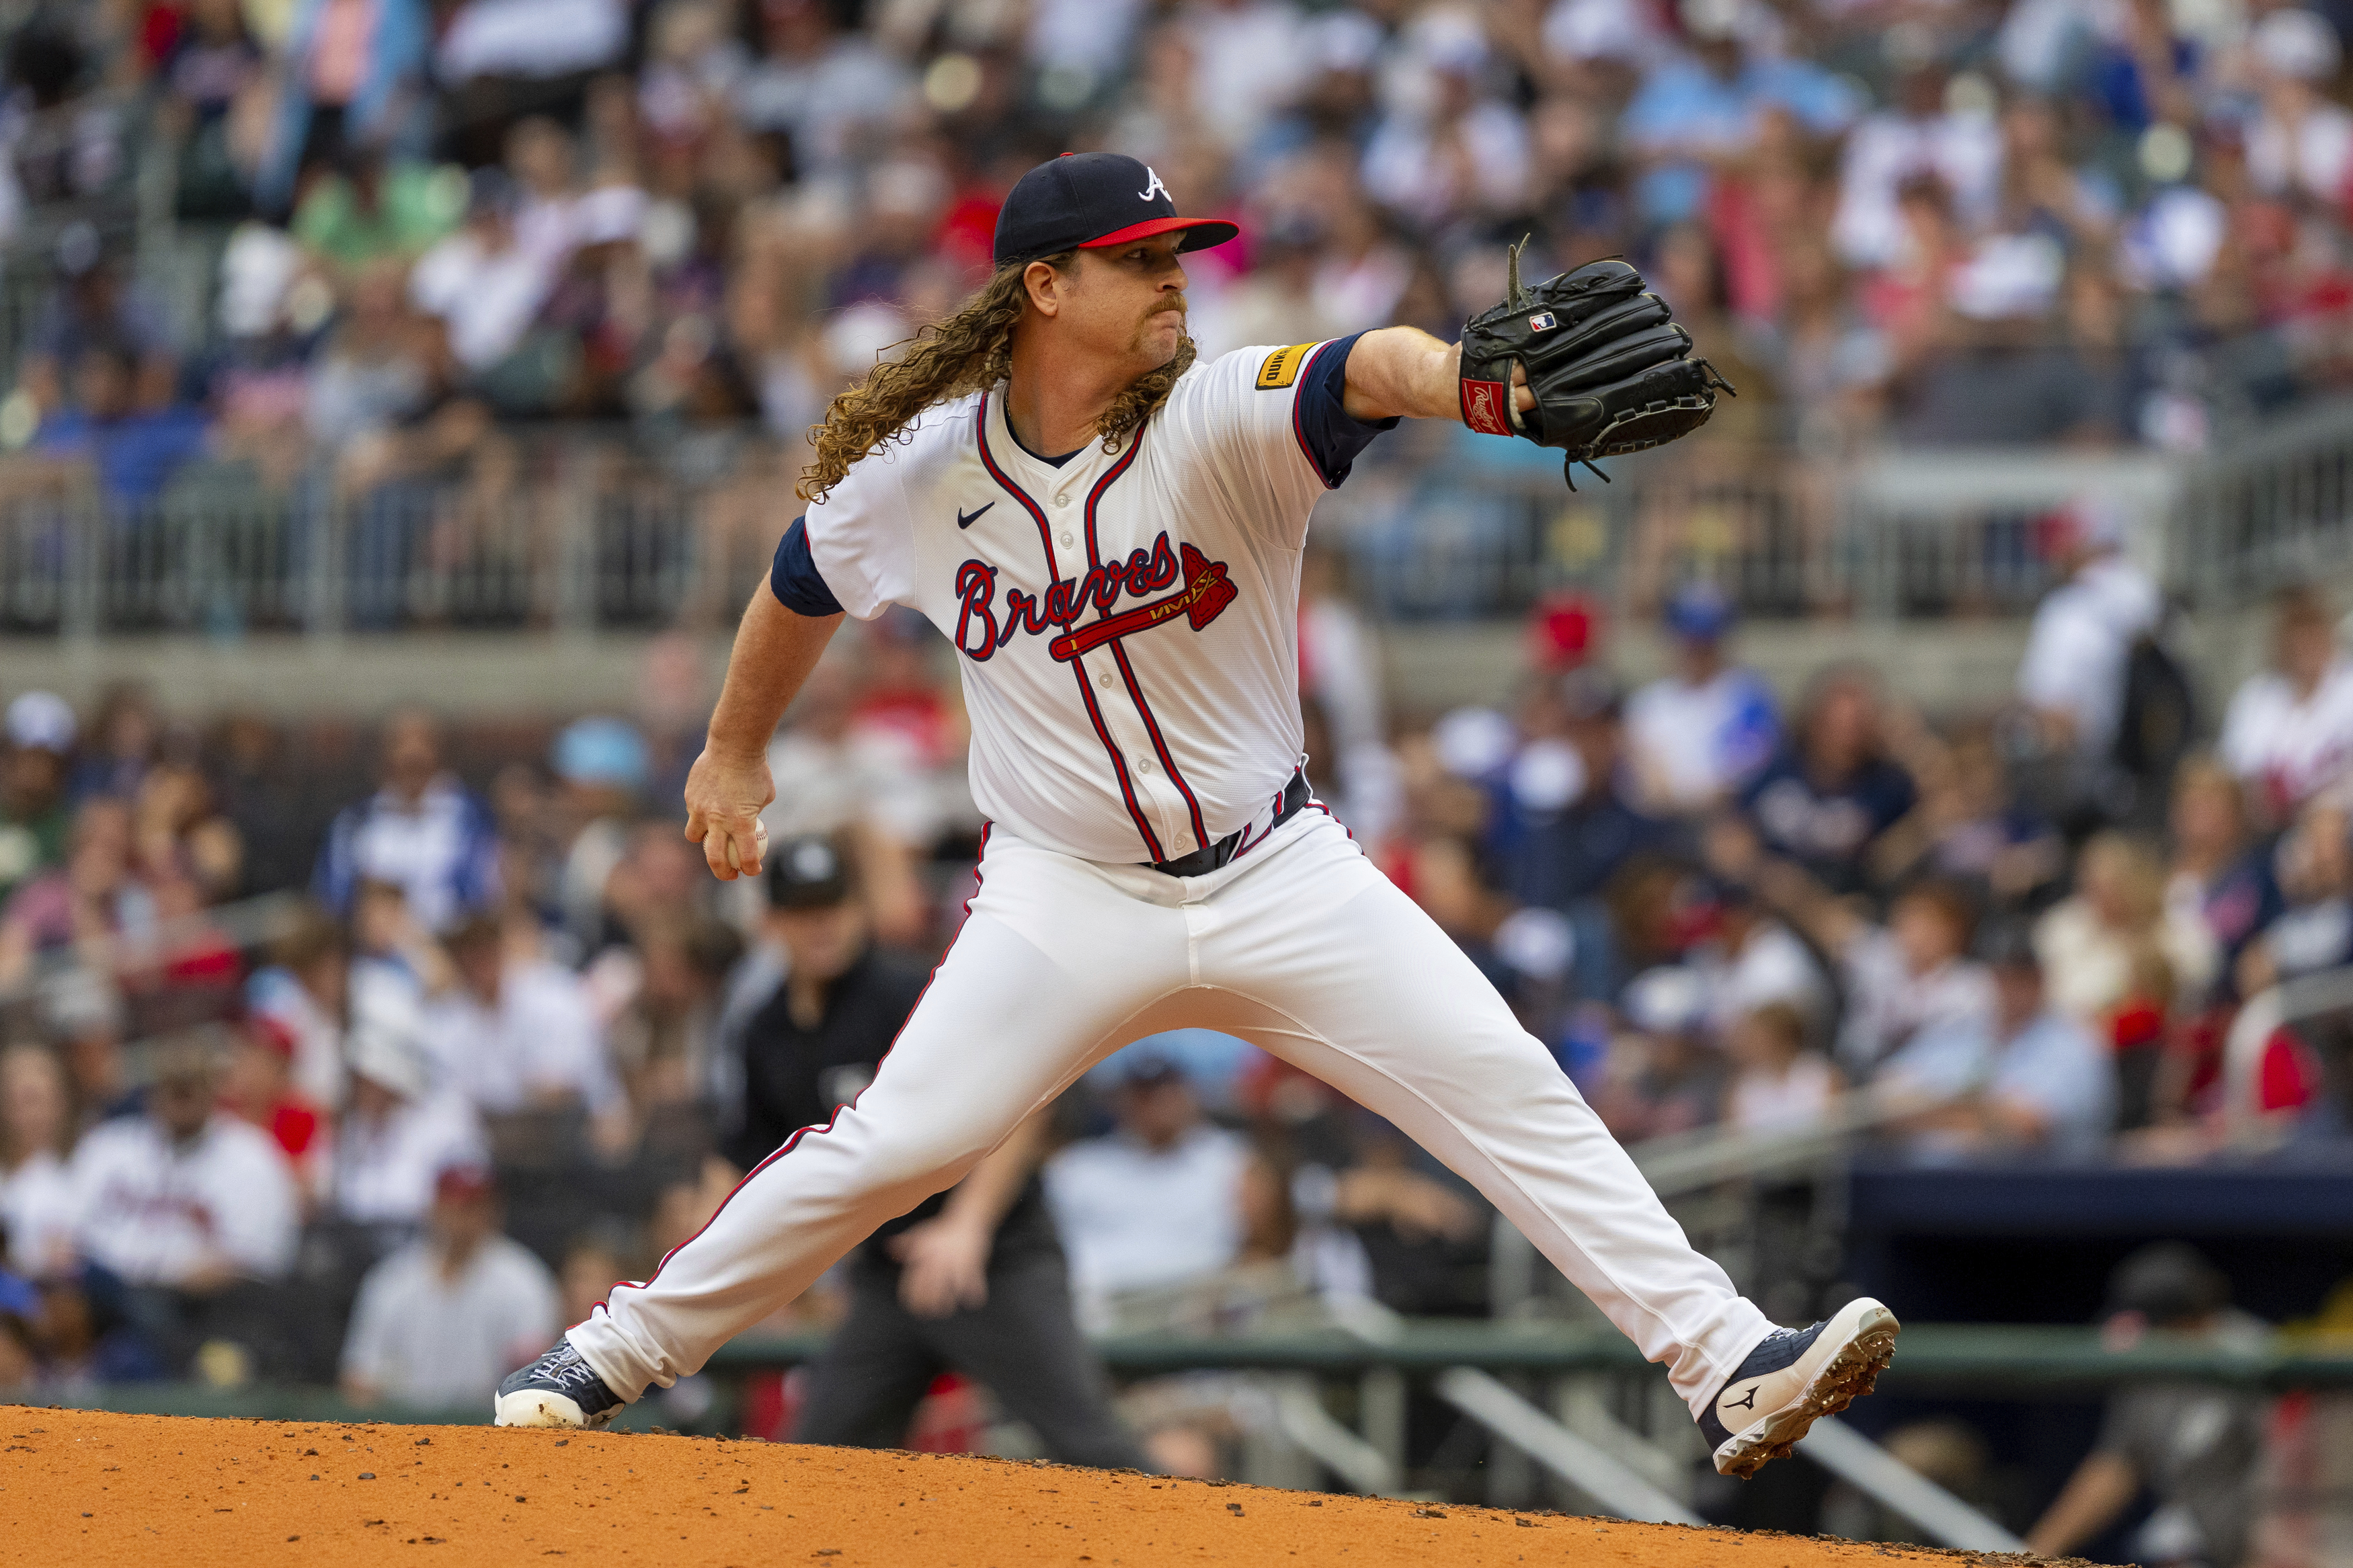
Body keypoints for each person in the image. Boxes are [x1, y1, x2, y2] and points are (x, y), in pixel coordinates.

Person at [501, 152, 1897, 1481]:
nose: (1175, 276)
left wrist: (1485, 388)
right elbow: (801, 575)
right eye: (1139, 258)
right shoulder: (927, 471)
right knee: (895, 1142)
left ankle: (1725, 1355)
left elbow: (1366, 369)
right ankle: (602, 1358)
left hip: (1277, 866)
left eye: (1180, 252)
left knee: (1502, 1076)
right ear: (1044, 285)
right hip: (1065, 895)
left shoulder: (1218, 405)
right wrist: (734, 747)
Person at [730, 835, 1147, 1469]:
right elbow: (751, 1161)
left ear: (858, 909)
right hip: (887, 1273)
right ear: (771, 923)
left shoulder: (911, 991)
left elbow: (1028, 1100)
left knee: (1092, 1449)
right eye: (802, 911)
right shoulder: (766, 1031)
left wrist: (967, 1226)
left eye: (834, 906)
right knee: (817, 1464)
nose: (823, 926)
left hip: (994, 1257)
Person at [2025, 1243, 2268, 1568]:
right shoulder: (2152, 1368)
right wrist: (2029, 1557)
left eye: (2160, 1327)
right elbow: (2117, 1466)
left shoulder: (2259, 1362)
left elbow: (2294, 1493)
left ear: (2193, 1318)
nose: (2146, 1339)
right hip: (2190, 1548)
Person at [1880, 921, 2117, 1163]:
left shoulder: (2074, 1044)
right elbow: (1881, 1101)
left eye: (2020, 976)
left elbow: (2022, 1128)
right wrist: (1977, 1115)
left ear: (2041, 978)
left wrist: (1927, 1109)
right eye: (2000, 974)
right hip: (1926, 1188)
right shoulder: (1963, 1031)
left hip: (2038, 1193)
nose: (2008, 986)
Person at [340, 1163, 561, 1409]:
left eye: (473, 1207)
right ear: (434, 1208)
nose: (461, 1218)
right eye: (452, 1205)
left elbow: (536, 1383)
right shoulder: (393, 1279)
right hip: (403, 1424)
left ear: (493, 1211)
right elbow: (358, 1379)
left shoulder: (523, 1280)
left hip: (489, 1427)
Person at [312, 709, 502, 933]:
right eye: (400, 742)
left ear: (441, 752)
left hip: (451, 944)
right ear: (383, 755)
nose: (413, 752)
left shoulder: (472, 818)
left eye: (424, 741)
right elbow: (331, 899)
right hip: (372, 950)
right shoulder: (353, 821)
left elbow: (484, 897)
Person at [1626, 581, 1782, 817]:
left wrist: (1682, 799)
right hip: (1658, 825)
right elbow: (1645, 784)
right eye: (1689, 639)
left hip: (1726, 820)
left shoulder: (1748, 697)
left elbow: (1734, 785)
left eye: (1706, 640)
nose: (1696, 650)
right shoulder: (1647, 703)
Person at [2219, 587, 2353, 829]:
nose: (2303, 645)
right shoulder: (2255, 698)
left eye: (2311, 633)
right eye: (2294, 635)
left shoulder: (2347, 688)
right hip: (2262, 825)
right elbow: (2233, 772)